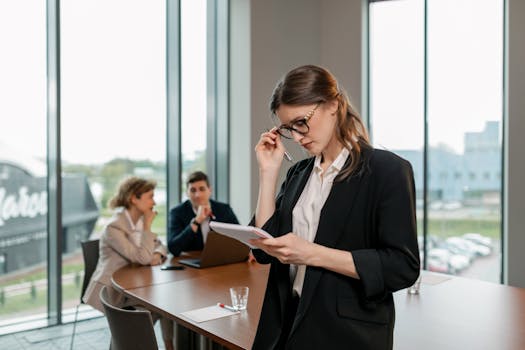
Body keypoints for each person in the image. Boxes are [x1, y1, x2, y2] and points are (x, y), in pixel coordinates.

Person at [249, 65, 420, 350]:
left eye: (301, 121)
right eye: (289, 128)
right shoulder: (299, 173)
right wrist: (268, 173)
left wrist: (313, 254)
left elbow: (402, 267)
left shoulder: (387, 170)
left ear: (333, 105)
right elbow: (262, 251)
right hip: (286, 327)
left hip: (346, 335)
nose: (298, 135)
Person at [83, 176, 174, 350]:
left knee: (166, 307)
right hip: (113, 292)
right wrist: (148, 229)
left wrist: (156, 254)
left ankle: (170, 346)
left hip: (134, 286)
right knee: (157, 309)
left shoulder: (138, 222)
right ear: (134, 198)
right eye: (150, 197)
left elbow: (161, 246)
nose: (154, 202)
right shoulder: (114, 228)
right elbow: (142, 258)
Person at [167, 171, 240, 256]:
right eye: (193, 190)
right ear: (187, 193)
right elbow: (173, 248)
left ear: (210, 190)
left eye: (202, 189)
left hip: (220, 259)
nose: (198, 195)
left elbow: (239, 238)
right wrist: (197, 221)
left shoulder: (224, 209)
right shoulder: (177, 212)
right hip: (190, 263)